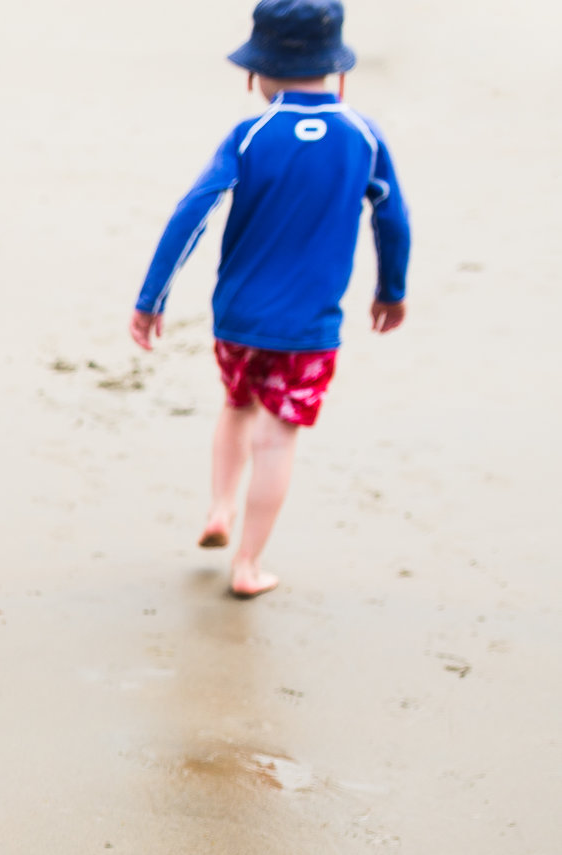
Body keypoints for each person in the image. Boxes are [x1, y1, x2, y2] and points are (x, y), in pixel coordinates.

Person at [129, 0, 411, 598]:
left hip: (236, 317)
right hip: (309, 329)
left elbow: (192, 213)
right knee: (278, 435)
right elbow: (393, 220)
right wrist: (391, 290)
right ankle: (248, 566)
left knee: (236, 405)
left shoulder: (250, 133)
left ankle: (219, 509)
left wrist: (152, 297)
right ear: (339, 72)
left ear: (256, 75)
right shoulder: (362, 136)